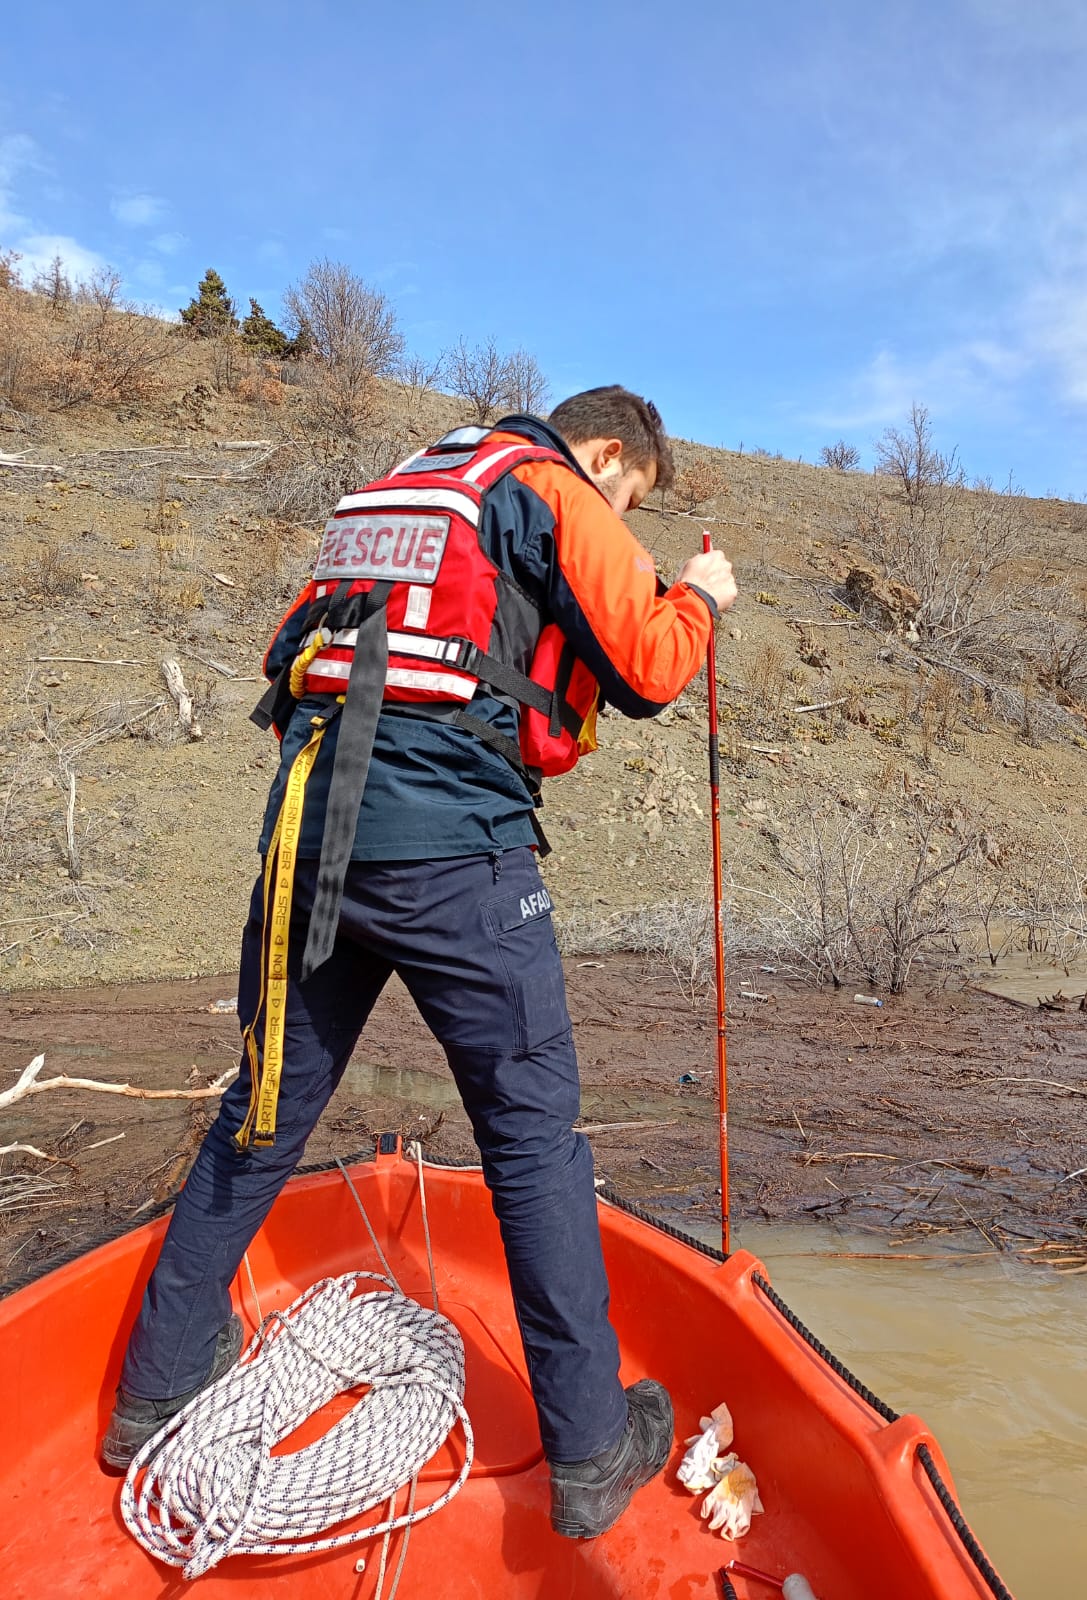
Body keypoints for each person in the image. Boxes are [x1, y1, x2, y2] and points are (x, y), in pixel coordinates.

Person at [102, 385, 738, 1539]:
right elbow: (646, 669)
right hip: (459, 855)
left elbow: (285, 650)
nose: (622, 512)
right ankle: (593, 1450)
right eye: (630, 497)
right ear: (606, 453)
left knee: (264, 1109)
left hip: (309, 842)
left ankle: (154, 1392)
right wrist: (695, 597)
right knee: (534, 1139)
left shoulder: (390, 494)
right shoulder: (550, 484)